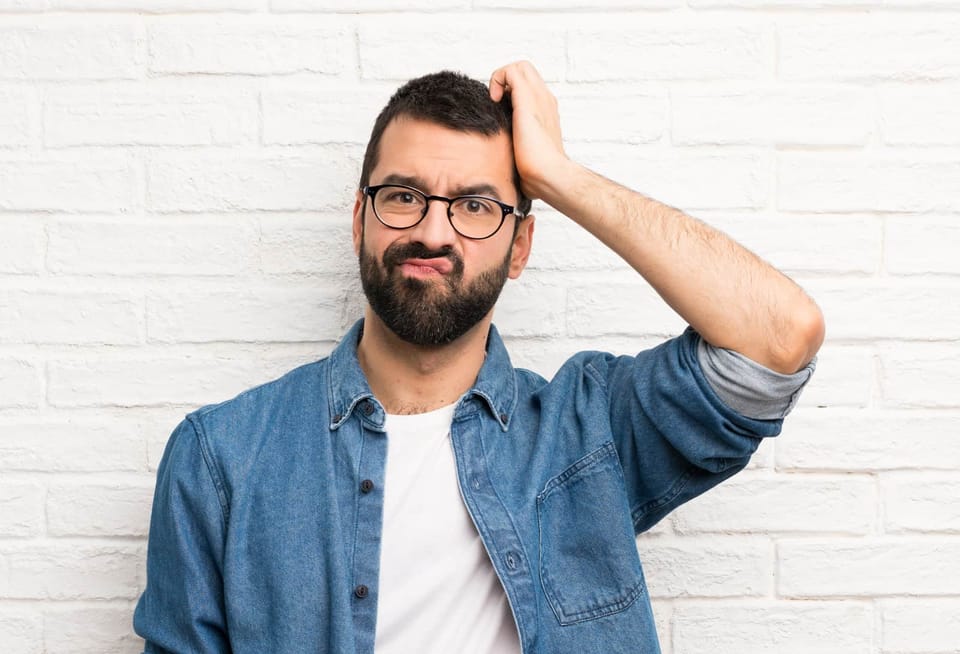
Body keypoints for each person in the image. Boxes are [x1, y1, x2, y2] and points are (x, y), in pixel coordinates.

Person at [134, 61, 824, 654]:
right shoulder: (221, 458)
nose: (434, 232)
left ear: (520, 246)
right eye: (403, 197)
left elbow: (779, 336)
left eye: (475, 206)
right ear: (359, 220)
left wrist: (556, 175)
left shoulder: (587, 435)